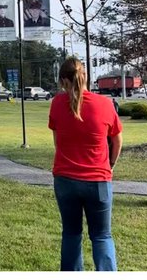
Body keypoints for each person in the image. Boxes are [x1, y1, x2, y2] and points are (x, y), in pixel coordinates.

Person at [49, 56, 122, 271]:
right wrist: (110, 165)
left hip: (65, 180)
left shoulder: (57, 103)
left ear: (63, 81)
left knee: (71, 234)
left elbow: (57, 141)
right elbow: (117, 140)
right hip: (98, 180)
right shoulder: (104, 104)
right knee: (101, 236)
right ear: (86, 77)